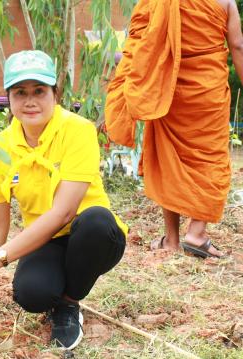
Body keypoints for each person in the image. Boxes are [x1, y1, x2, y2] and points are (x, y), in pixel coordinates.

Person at [0, 50, 128, 350]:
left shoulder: (78, 130)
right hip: (43, 239)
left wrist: (0, 257)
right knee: (31, 294)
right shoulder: (0, 146)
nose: (30, 101)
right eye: (20, 92)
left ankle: (68, 304)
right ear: (8, 98)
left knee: (96, 223)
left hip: (89, 234)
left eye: (39, 91)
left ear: (56, 93)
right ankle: (55, 291)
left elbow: (64, 212)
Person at [105, 0, 243, 258]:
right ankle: (197, 233)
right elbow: (238, 45)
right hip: (207, 91)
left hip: (167, 89)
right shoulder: (225, 1)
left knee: (169, 160)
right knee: (210, 158)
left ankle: (171, 239)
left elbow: (139, 43)